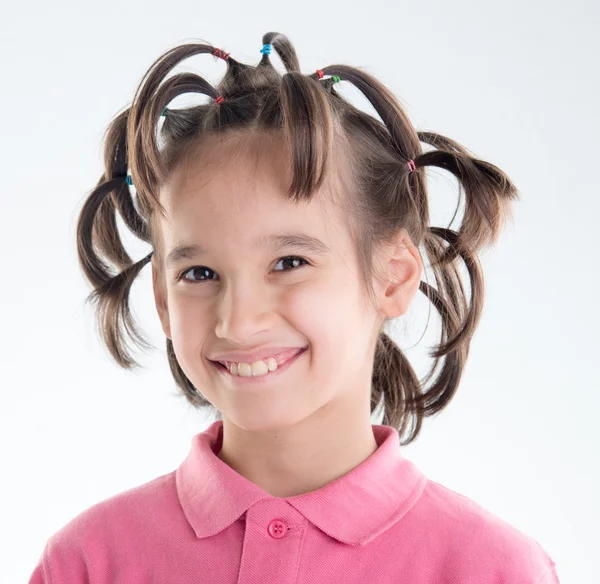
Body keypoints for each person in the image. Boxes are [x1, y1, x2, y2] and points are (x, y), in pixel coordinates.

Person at [28, 32, 559, 583]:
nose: (239, 321)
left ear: (393, 276)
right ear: (163, 300)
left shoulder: (492, 569)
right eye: (199, 274)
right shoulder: (86, 564)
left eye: (289, 262)